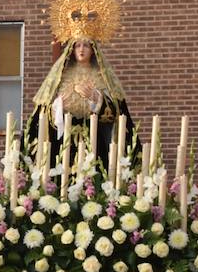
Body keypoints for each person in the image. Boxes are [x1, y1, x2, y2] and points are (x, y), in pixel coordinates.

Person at [28, 38, 135, 172]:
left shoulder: (103, 77)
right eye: (77, 45)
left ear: (93, 50)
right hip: (65, 140)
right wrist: (58, 106)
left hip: (94, 139)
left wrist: (97, 99)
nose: (81, 49)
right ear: (72, 50)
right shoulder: (60, 76)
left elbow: (116, 113)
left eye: (86, 46)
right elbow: (44, 113)